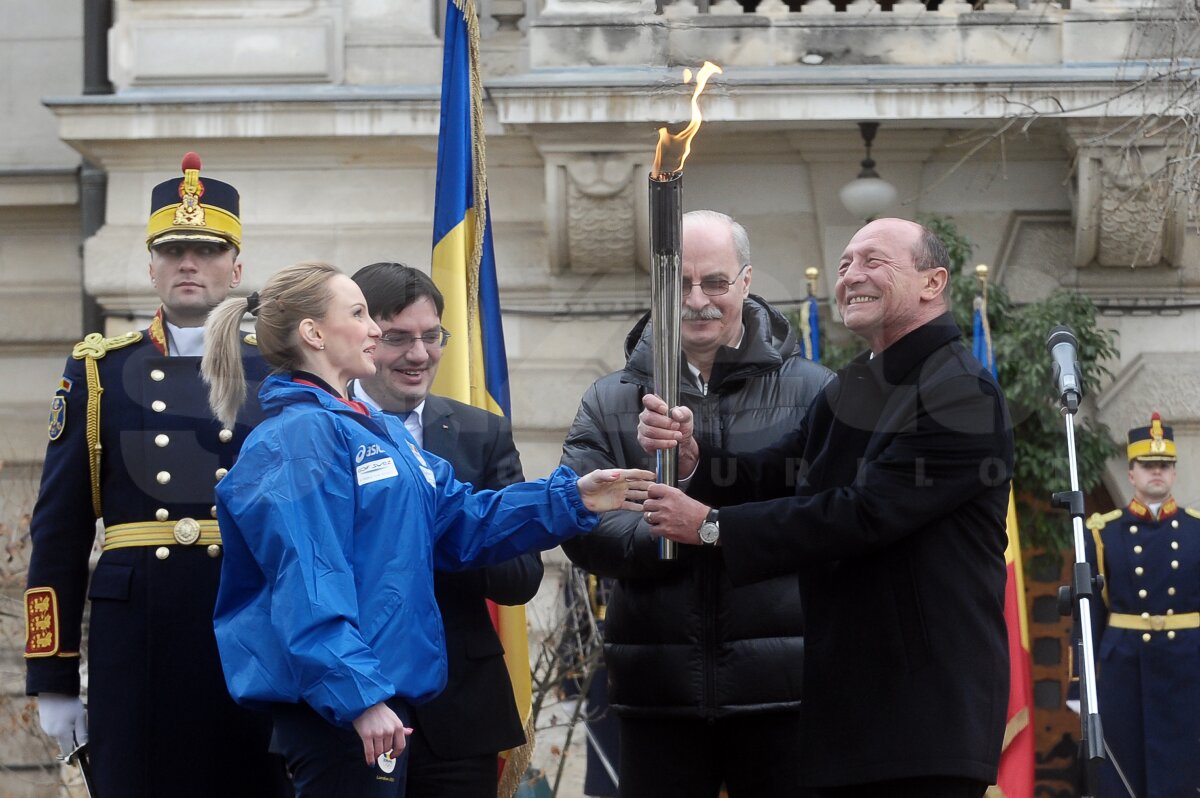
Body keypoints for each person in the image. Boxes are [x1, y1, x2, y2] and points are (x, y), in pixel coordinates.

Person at [201, 261, 653, 798]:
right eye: (360, 313)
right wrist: (359, 696)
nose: (373, 329)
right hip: (345, 714)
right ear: (313, 333)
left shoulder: (376, 430)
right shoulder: (297, 438)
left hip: (382, 702)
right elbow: (308, 581)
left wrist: (570, 497)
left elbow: (463, 520)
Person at [638, 217, 1014, 798]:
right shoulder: (859, 381)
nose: (850, 277)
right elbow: (778, 472)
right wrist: (693, 458)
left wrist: (711, 528)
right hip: (847, 707)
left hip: (924, 718)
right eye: (844, 264)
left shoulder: (961, 391)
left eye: (873, 261)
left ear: (933, 282)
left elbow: (862, 515)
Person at [22, 153, 287, 797]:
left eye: (205, 248)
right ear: (150, 267)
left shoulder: (279, 375)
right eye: (172, 251)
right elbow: (57, 531)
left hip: (253, 632)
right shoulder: (101, 371)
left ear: (237, 267)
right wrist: (53, 675)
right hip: (138, 641)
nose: (188, 263)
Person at [560, 209, 832, 798]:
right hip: (658, 691)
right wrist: (668, 535)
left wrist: (711, 524)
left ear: (746, 282)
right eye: (679, 282)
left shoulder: (814, 391)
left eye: (715, 282)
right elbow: (579, 524)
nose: (697, 299)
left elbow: (825, 522)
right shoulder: (611, 400)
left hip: (784, 689)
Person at [349, 261, 542, 798]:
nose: (419, 355)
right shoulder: (319, 428)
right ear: (359, 337)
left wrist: (438, 523)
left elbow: (520, 578)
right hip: (347, 712)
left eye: (431, 337)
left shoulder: (480, 432)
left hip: (460, 716)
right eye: (397, 338)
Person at [1077, 413, 1200, 797]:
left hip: (1188, 667)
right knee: (1123, 771)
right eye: (1148, 466)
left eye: (1164, 465)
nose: (1157, 473)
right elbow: (1089, 611)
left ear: (1174, 472)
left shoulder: (1197, 529)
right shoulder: (1102, 531)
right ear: (1131, 473)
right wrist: (1079, 685)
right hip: (1124, 669)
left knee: (1184, 769)